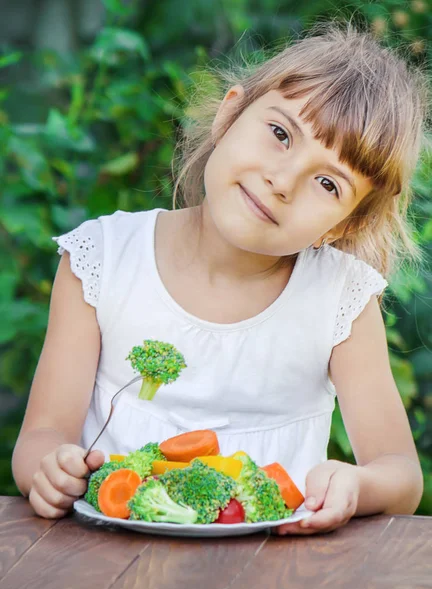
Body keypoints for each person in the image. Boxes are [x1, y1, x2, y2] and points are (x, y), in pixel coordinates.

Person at [12, 23, 428, 535]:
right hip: (109, 560)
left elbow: (402, 476)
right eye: (280, 135)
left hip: (273, 569)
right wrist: (49, 469)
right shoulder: (103, 259)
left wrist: (357, 485)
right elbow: (40, 437)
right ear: (230, 115)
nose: (282, 181)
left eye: (327, 182)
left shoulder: (339, 298)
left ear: (343, 225)